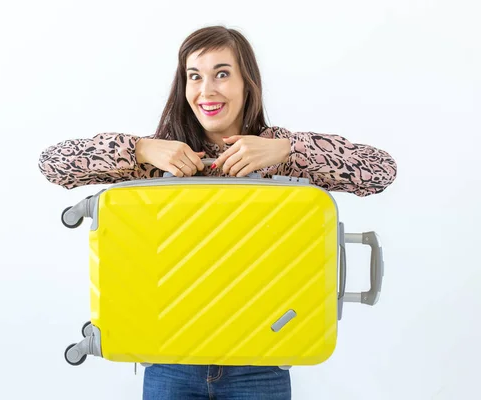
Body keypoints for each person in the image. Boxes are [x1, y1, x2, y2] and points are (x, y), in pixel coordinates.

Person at [38, 25, 397, 399]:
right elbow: (53, 165)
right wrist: (142, 148)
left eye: (222, 74)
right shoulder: (160, 159)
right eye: (195, 76)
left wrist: (289, 150)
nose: (206, 90)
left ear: (247, 84)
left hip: (261, 362)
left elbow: (380, 170)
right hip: (168, 360)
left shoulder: (279, 155)